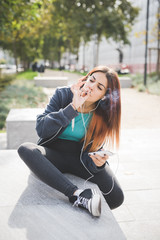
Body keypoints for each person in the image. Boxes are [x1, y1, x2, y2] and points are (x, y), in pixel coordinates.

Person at [18, 65, 124, 217]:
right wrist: (73, 107)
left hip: (80, 159)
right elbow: (41, 129)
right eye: (91, 80)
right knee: (26, 149)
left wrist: (97, 164)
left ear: (104, 96)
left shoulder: (103, 114)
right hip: (53, 154)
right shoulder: (63, 94)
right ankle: (76, 194)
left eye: (99, 87)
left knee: (116, 197)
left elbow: (93, 152)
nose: (91, 86)